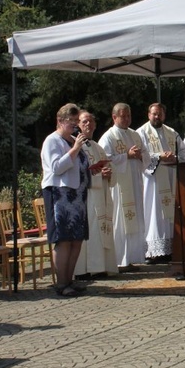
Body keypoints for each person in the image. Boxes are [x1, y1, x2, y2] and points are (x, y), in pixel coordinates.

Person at [41, 104, 101, 296]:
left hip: (78, 196)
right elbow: (56, 167)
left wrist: (93, 169)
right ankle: (61, 283)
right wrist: (75, 149)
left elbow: (80, 165)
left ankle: (70, 279)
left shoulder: (75, 140)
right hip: (60, 196)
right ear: (60, 121)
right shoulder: (52, 141)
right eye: (72, 122)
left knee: (76, 239)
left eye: (77, 122)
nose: (76, 126)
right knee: (64, 239)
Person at [99, 103, 148, 272]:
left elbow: (146, 156)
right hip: (119, 187)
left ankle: (131, 258)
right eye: (123, 116)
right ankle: (119, 260)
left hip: (135, 183)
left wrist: (141, 156)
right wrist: (126, 155)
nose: (127, 119)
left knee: (135, 221)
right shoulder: (108, 137)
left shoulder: (135, 135)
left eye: (129, 115)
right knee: (120, 222)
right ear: (114, 117)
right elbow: (104, 159)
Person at [136, 103, 185, 264]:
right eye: (154, 114)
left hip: (171, 177)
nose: (157, 117)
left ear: (164, 115)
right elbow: (140, 155)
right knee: (153, 214)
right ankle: (152, 251)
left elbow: (184, 152)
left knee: (170, 214)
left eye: (160, 114)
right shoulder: (141, 133)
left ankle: (169, 249)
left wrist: (175, 158)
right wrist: (159, 156)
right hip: (153, 180)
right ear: (148, 114)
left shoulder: (172, 133)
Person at [73, 110, 118, 279]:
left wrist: (108, 173)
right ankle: (84, 269)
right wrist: (99, 175)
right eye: (84, 121)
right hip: (87, 196)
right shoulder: (76, 145)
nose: (88, 125)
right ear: (78, 124)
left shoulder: (97, 146)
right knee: (90, 231)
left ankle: (100, 266)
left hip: (101, 196)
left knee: (100, 231)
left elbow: (109, 168)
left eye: (91, 121)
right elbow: (77, 172)